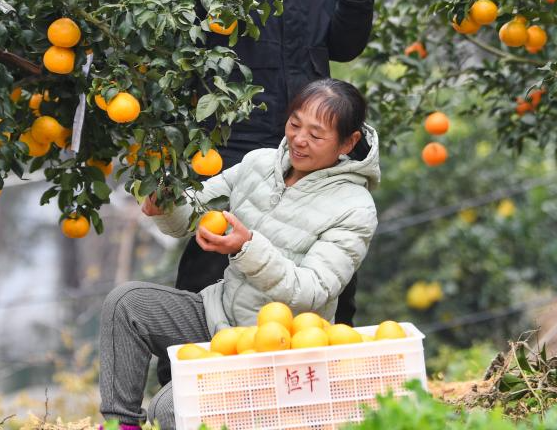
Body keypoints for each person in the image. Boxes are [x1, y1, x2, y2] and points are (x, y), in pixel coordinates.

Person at [176, 0, 388, 319]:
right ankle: (186, 381)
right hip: (236, 131)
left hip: (308, 131)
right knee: (215, 256)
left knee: (328, 261)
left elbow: (341, 47)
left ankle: (328, 376)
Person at [99, 79, 380, 430]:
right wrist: (167, 204)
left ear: (348, 142)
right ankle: (119, 425)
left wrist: (247, 248)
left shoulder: (354, 208)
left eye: (316, 134)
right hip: (220, 315)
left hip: (278, 346)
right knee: (127, 304)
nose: (299, 139)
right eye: (294, 124)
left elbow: (313, 289)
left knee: (171, 408)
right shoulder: (259, 164)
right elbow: (198, 209)